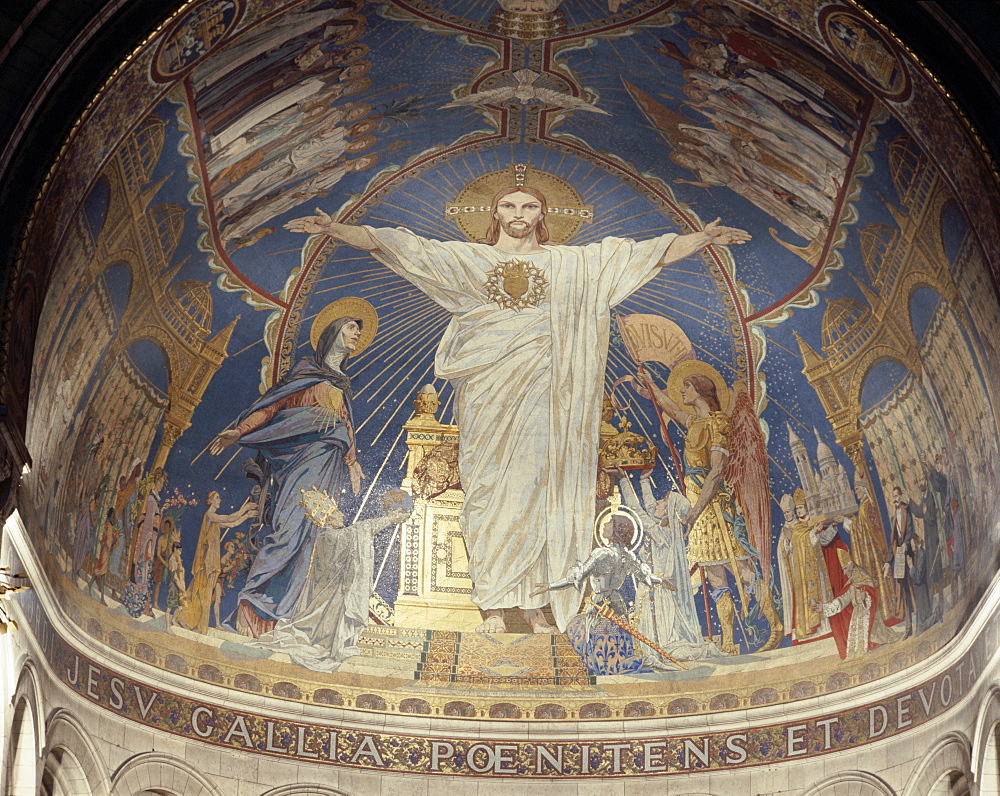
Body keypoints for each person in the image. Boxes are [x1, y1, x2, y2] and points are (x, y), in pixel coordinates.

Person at [285, 186, 749, 633]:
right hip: (488, 398)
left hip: (545, 398)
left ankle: (535, 607)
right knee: (488, 494)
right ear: (496, 214)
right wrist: (336, 229)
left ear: (543, 215)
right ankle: (491, 604)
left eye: (529, 205)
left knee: (538, 491)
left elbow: (644, 254)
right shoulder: (472, 260)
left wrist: (703, 238)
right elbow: (405, 248)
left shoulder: (571, 264)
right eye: (509, 205)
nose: (519, 213)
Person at [210, 307, 371, 637]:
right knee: (286, 532)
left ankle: (285, 618)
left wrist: (352, 462)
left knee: (312, 539)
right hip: (297, 465)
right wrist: (239, 431)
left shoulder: (341, 383)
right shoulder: (305, 374)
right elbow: (271, 408)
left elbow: (345, 424)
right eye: (352, 328)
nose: (357, 334)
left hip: (327, 468)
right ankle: (253, 604)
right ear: (334, 331)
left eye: (358, 331)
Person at [629, 366, 782, 654]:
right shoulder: (694, 423)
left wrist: (696, 510)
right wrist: (650, 383)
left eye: (686, 387)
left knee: (744, 572)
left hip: (713, 509)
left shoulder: (718, 424)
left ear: (699, 392)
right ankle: (727, 641)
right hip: (696, 512)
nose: (682, 392)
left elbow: (717, 471)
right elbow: (670, 407)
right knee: (714, 577)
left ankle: (775, 626)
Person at [253, 493, 412, 671]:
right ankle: (325, 646)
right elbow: (359, 530)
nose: (343, 516)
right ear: (328, 518)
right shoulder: (328, 537)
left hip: (332, 594)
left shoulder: (329, 536)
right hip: (328, 596)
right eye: (337, 512)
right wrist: (389, 519)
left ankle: (330, 646)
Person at [610, 466, 723, 663]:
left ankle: (659, 652)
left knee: (663, 640)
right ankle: (654, 651)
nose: (658, 502)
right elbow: (650, 506)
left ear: (669, 512)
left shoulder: (663, 535)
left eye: (663, 502)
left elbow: (638, 510)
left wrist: (624, 480)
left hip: (659, 591)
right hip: (653, 588)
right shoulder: (666, 530)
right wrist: (644, 481)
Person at [531, 510, 664, 674]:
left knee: (577, 630)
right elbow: (646, 577)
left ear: (616, 530)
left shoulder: (601, 554)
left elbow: (577, 578)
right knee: (617, 644)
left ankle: (605, 668)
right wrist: (663, 580)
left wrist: (550, 586)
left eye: (609, 523)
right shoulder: (628, 556)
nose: (605, 525)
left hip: (600, 605)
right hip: (617, 604)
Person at [174, 491, 257, 634]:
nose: (220, 500)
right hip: (206, 563)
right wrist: (245, 508)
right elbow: (230, 517)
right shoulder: (210, 516)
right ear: (210, 500)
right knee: (200, 593)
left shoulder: (215, 522)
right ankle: (189, 619)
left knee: (203, 593)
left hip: (212, 563)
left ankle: (191, 620)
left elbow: (232, 523)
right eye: (217, 498)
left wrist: (247, 516)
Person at [812, 548, 896, 659]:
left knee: (870, 643)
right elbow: (842, 600)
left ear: (851, 564)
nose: (845, 573)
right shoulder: (851, 582)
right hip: (857, 615)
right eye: (843, 570)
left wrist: (865, 597)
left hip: (869, 615)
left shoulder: (864, 577)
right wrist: (824, 607)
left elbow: (873, 594)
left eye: (846, 568)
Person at [883, 485, 918, 639]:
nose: (895, 500)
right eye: (893, 497)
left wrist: (905, 545)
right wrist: (887, 562)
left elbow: (909, 531)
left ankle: (920, 619)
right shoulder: (893, 518)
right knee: (903, 591)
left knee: (914, 587)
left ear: (901, 496)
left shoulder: (906, 510)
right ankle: (909, 626)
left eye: (897, 496)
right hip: (899, 559)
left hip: (908, 555)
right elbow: (893, 542)